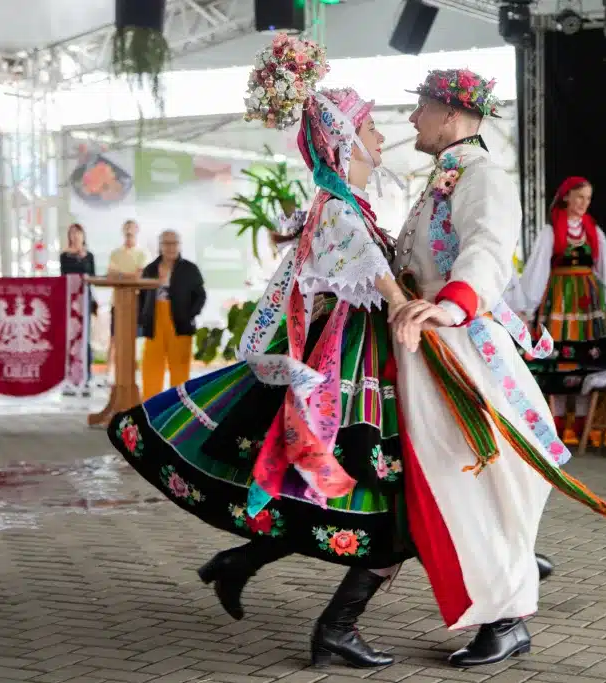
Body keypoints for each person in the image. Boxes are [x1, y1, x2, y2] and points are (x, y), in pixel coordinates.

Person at [110, 34, 413, 669]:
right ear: (344, 141)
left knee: (329, 495)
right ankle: (341, 622)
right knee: (384, 501)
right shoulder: (339, 213)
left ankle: (239, 563)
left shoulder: (346, 206)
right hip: (348, 375)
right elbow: (380, 288)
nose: (382, 140)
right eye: (371, 129)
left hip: (356, 367)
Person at [390, 69, 606, 667]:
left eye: (419, 108)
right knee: (460, 480)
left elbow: (488, 250)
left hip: (462, 346)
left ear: (449, 113)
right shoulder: (451, 173)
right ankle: (511, 578)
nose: (412, 120)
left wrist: (449, 306)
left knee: (472, 477)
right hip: (438, 343)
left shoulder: (483, 174)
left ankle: (508, 614)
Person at [507, 177, 606, 439]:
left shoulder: (593, 231)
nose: (584, 203)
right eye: (580, 197)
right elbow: (537, 271)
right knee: (560, 361)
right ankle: (558, 423)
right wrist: (526, 309)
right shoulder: (551, 231)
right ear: (566, 197)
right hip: (560, 302)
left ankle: (582, 425)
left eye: (588, 198)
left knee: (585, 361)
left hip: (588, 304)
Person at [138, 230, 205, 400]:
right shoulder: (150, 269)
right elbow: (142, 297)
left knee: (179, 369)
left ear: (179, 245)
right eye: (166, 243)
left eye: (174, 243)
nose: (170, 247)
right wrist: (142, 319)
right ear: (160, 246)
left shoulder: (190, 269)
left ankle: (178, 407)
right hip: (155, 323)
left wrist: (190, 315)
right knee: (151, 367)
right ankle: (150, 406)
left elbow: (200, 295)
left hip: (180, 323)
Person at [105, 219, 146, 386]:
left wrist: (120, 275)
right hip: (117, 302)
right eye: (126, 229)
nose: (129, 232)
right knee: (114, 338)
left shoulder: (143, 253)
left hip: (135, 303)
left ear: (137, 231)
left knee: (133, 339)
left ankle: (132, 376)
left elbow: (139, 276)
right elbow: (110, 275)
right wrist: (127, 275)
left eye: (132, 229)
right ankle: (109, 375)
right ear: (123, 231)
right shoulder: (115, 253)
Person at [60, 223, 96, 396]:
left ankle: (87, 377)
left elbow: (93, 277)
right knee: (70, 338)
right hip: (70, 300)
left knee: (85, 339)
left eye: (78, 233)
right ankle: (69, 377)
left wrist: (83, 259)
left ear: (83, 235)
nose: (75, 236)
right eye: (72, 233)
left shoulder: (89, 256)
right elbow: (63, 277)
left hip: (85, 300)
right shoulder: (64, 255)